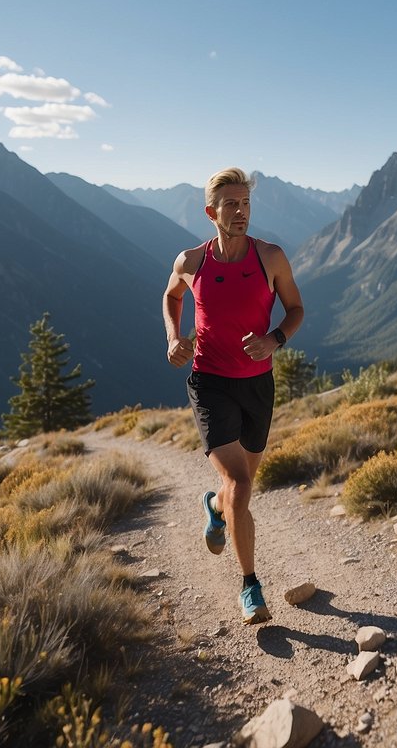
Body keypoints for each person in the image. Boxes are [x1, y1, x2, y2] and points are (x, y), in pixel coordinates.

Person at [162, 167, 304, 624]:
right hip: (209, 382)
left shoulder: (271, 258)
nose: (241, 212)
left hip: (258, 384)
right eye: (231, 205)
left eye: (246, 204)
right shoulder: (191, 262)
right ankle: (250, 586)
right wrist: (173, 338)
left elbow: (296, 308)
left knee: (240, 490)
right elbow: (171, 297)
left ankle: (214, 505)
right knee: (241, 485)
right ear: (211, 212)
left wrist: (275, 339)